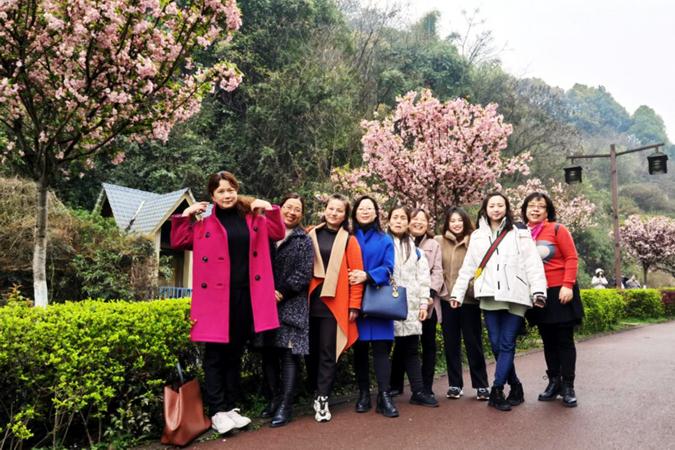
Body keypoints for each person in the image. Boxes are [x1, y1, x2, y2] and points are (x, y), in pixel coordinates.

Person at [170, 171, 285, 434]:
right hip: (215, 300)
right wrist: (185, 215)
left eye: (230, 189)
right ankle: (217, 410)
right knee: (215, 355)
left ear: (236, 190)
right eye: (220, 191)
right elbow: (178, 241)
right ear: (212, 196)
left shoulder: (253, 219)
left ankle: (231, 407)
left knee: (235, 352)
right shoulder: (203, 224)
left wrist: (270, 209)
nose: (227, 195)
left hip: (245, 296)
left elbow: (277, 232)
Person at [450, 192, 547, 412]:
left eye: (500, 205)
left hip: (516, 295)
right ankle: (516, 385)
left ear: (506, 208)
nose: (496, 209)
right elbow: (468, 267)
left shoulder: (519, 232)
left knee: (506, 343)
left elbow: (532, 263)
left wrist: (538, 292)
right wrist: (457, 294)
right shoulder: (477, 235)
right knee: (496, 344)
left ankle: (497, 389)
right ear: (485, 209)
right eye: (492, 205)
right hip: (490, 294)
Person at [305, 194, 364, 423]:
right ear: (325, 209)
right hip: (309, 302)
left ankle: (323, 398)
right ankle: (314, 390)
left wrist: (354, 305)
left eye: (339, 210)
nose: (334, 213)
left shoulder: (349, 241)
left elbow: (355, 276)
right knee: (310, 352)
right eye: (331, 208)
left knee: (328, 353)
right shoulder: (310, 233)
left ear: (345, 215)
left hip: (334, 304)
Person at [522, 192, 584, 408]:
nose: (535, 209)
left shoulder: (557, 229)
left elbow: (571, 257)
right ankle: (553, 382)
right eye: (531, 205)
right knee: (547, 340)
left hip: (560, 291)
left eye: (540, 206)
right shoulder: (521, 234)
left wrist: (568, 284)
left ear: (547, 211)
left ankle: (568, 386)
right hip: (538, 293)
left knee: (564, 340)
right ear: (525, 210)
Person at [260, 194, 314, 427]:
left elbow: (304, 272)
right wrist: (266, 292)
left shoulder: (304, 240)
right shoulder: (265, 233)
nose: (292, 212)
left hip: (292, 304)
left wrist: (281, 292)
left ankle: (286, 405)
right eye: (288, 207)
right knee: (268, 352)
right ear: (279, 208)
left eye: (297, 209)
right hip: (264, 303)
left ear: (302, 214)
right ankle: (274, 398)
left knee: (289, 355)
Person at [350, 195, 398, 418]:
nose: (365, 211)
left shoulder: (385, 239)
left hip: (379, 300)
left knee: (381, 350)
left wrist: (368, 275)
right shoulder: (348, 237)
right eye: (361, 208)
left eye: (369, 208)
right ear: (355, 212)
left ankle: (384, 396)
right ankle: (363, 394)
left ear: (376, 213)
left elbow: (389, 268)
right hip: (355, 300)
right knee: (359, 349)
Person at [435, 207, 490, 401]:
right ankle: (455, 385)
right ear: (447, 224)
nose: (456, 224)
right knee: (451, 343)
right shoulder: (439, 241)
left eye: (459, 220)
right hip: (447, 300)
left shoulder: (475, 241)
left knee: (473, 343)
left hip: (469, 301)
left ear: (465, 222)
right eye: (452, 221)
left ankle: (481, 385)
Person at [386, 206, 438, 407]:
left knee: (411, 349)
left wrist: (424, 304)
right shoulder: (383, 244)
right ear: (388, 220)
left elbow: (423, 279)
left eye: (402, 218)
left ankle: (418, 391)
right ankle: (385, 390)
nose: (399, 221)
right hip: (385, 304)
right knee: (384, 348)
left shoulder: (416, 251)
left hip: (410, 305)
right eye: (395, 217)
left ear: (408, 222)